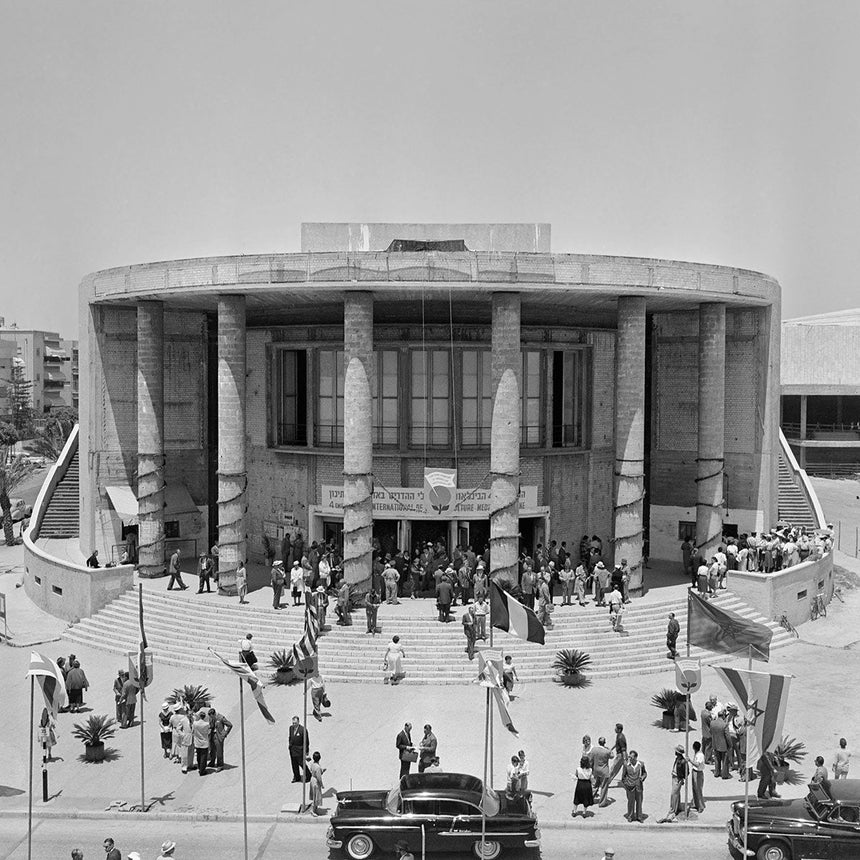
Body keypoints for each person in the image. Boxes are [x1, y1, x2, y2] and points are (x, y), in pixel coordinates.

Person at [658, 746, 687, 822]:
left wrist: (682, 779)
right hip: (674, 777)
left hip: (677, 779)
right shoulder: (678, 759)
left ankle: (672, 810)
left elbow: (686, 772)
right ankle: (677, 807)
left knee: (673, 794)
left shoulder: (683, 761)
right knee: (677, 794)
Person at [621, 750, 647, 822]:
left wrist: (643, 777)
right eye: (629, 757)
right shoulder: (626, 765)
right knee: (630, 802)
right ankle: (630, 816)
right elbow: (623, 777)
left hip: (639, 786)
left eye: (631, 757)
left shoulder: (641, 764)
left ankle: (639, 817)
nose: (630, 758)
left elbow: (645, 773)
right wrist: (627, 784)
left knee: (639, 802)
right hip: (630, 787)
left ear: (635, 757)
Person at [170, 704, 193, 773]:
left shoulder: (193, 719)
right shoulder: (183, 720)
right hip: (186, 738)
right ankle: (184, 767)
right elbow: (178, 728)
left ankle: (190, 765)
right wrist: (183, 735)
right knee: (184, 753)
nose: (190, 715)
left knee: (191, 752)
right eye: (189, 714)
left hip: (192, 738)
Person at [590, 736, 612, 806]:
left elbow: (590, 760)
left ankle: (590, 799)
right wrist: (608, 748)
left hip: (596, 770)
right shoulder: (607, 751)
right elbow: (612, 756)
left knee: (595, 785)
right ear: (604, 743)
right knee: (604, 787)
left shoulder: (594, 750)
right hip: (604, 771)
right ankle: (602, 803)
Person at [288, 716, 310, 783]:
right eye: (293, 723)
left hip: (299, 750)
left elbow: (306, 741)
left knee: (302, 764)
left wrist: (306, 751)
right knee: (294, 764)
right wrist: (290, 745)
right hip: (292, 750)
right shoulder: (291, 728)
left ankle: (308, 775)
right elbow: (290, 737)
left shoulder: (302, 730)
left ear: (298, 722)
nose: (294, 724)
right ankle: (296, 777)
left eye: (295, 723)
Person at [687, 740, 706, 813]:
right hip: (695, 771)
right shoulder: (697, 753)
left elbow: (697, 764)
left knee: (698, 789)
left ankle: (701, 806)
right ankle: (696, 803)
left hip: (698, 773)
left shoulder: (700, 755)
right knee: (694, 788)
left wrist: (690, 761)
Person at [710, 709, 730, 779]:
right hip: (723, 745)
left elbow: (711, 732)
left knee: (716, 759)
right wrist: (730, 745)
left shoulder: (712, 723)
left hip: (715, 743)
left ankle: (717, 772)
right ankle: (724, 774)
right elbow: (727, 736)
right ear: (723, 716)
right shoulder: (724, 725)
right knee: (724, 760)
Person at [307, 750, 326, 816]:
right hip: (316, 782)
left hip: (312, 780)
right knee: (316, 796)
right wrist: (322, 785)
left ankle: (315, 809)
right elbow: (319, 777)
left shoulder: (313, 764)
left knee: (315, 796)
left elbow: (311, 770)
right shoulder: (318, 767)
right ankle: (313, 811)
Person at [192, 709, 211, 776]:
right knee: (203, 757)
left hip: (197, 742)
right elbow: (209, 732)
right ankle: (202, 771)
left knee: (199, 756)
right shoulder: (206, 724)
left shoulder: (195, 723)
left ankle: (200, 767)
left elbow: (193, 731)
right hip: (204, 742)